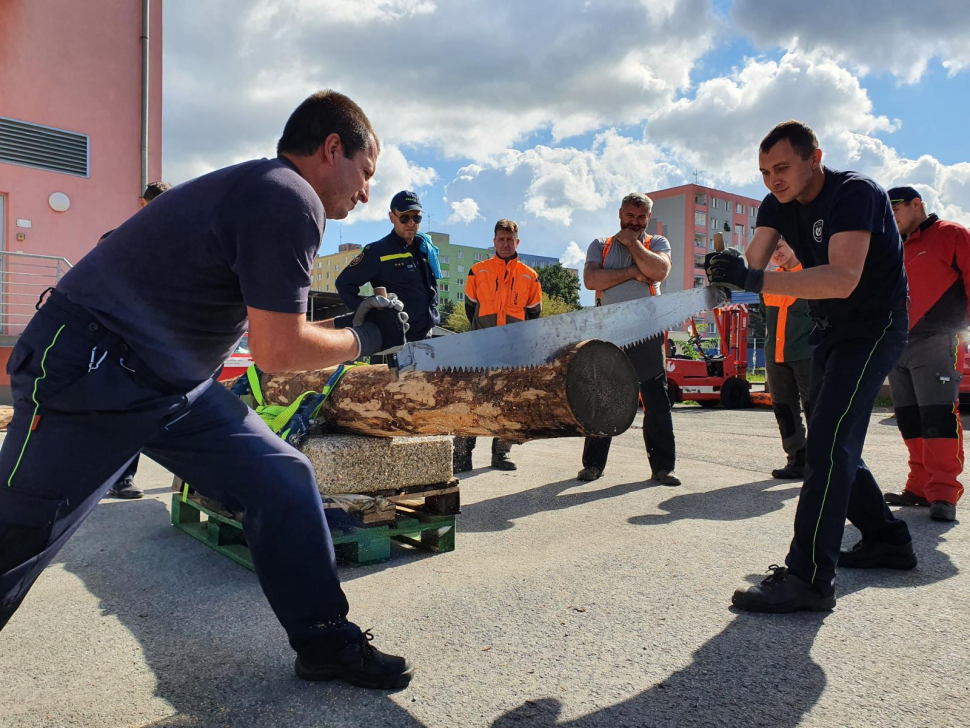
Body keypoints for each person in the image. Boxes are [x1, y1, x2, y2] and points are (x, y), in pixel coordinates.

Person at [0, 90, 415, 689]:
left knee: (281, 477)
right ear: (331, 149)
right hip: (91, 370)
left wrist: (353, 330)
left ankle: (325, 641)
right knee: (18, 531)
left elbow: (277, 330)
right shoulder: (288, 197)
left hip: (170, 383)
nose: (367, 192)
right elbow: (278, 354)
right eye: (366, 172)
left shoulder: (266, 192)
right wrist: (363, 337)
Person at [707, 120, 915, 614]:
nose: (772, 180)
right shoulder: (776, 203)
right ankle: (888, 539)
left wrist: (753, 279)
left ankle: (810, 580)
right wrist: (728, 270)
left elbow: (843, 278)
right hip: (830, 330)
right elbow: (754, 261)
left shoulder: (855, 193)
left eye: (781, 168)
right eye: (764, 172)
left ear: (814, 157)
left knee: (826, 444)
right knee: (832, 436)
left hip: (875, 328)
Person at [578, 192, 679, 485]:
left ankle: (663, 468)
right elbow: (591, 280)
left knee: (656, 402)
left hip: (646, 331)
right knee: (603, 400)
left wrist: (633, 245)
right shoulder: (601, 245)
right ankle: (593, 466)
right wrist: (635, 272)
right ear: (620, 214)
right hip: (609, 331)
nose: (634, 223)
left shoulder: (657, 243)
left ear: (649, 218)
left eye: (641, 218)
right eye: (630, 216)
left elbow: (658, 270)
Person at [883, 185, 970, 523]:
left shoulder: (952, 235)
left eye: (895, 211)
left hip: (938, 338)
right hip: (897, 344)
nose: (891, 219)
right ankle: (919, 487)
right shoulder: (895, 248)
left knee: (937, 416)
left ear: (916, 204)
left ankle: (944, 493)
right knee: (909, 419)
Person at [98, 180, 173, 499]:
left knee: (137, 410)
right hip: (114, 335)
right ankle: (103, 477)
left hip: (150, 340)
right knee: (109, 409)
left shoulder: (170, 245)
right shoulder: (115, 240)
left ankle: (122, 478)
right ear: (143, 204)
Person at [453, 219, 542, 473]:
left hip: (513, 349)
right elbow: (470, 307)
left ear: (517, 242)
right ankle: (461, 455)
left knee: (508, 401)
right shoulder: (477, 270)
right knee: (470, 400)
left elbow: (534, 313)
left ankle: (501, 453)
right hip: (480, 345)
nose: (505, 244)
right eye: (501, 239)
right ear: (494, 241)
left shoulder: (530, 275)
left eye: (509, 240)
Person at [336, 190, 440, 345]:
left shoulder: (424, 249)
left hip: (426, 336)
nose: (411, 223)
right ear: (392, 218)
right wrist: (370, 315)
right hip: (394, 340)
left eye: (416, 217)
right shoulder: (378, 251)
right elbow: (344, 284)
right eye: (404, 218)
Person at [760, 238, 813, 479]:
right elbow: (765, 317)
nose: (775, 253)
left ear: (793, 245)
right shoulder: (770, 280)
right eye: (771, 250)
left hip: (807, 355)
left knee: (816, 409)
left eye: (779, 247)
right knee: (784, 411)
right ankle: (797, 461)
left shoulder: (812, 275)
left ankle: (823, 462)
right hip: (775, 356)